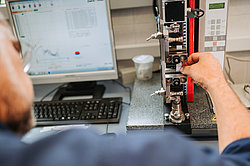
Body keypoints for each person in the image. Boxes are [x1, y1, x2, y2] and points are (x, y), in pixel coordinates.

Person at [0, 13, 249, 166]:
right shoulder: (126, 156)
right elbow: (243, 157)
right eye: (15, 49)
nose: (22, 63)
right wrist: (216, 80)